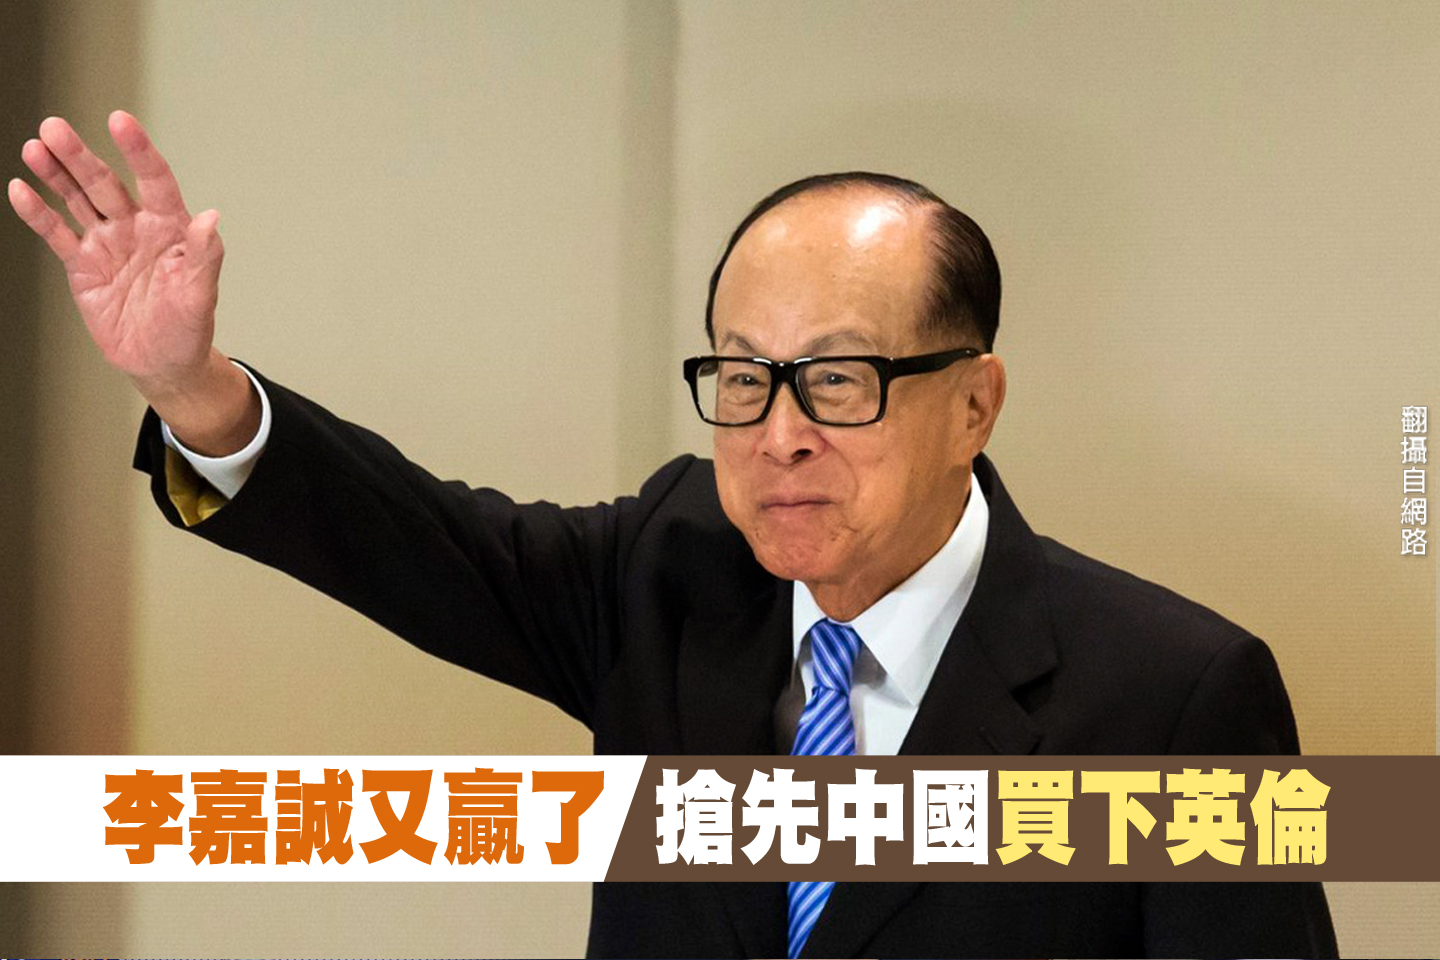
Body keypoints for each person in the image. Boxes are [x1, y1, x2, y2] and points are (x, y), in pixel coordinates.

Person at [10, 112, 1338, 959]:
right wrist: (190, 387)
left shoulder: (1178, 695)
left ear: (974, 403)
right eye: (743, 377)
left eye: (838, 379)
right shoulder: (672, 568)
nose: (778, 435)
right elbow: (413, 541)